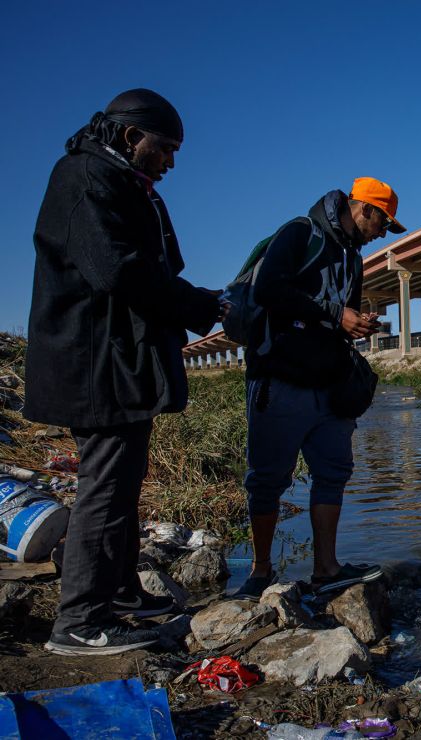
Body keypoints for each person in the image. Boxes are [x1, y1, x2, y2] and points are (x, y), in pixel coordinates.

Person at [25, 89, 224, 655]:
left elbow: (149, 269)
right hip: (94, 366)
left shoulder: (121, 182)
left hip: (117, 366)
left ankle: (121, 592)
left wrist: (194, 299)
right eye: (165, 148)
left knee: (122, 483)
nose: (171, 161)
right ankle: (80, 621)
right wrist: (197, 306)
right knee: (105, 488)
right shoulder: (86, 177)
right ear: (131, 136)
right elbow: (117, 271)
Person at [232, 178, 405, 601]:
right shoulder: (299, 233)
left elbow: (341, 317)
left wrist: (357, 324)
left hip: (329, 384)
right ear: (364, 209)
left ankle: (326, 568)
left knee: (333, 474)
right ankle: (260, 572)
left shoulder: (355, 259)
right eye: (384, 223)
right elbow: (267, 290)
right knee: (268, 480)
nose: (383, 233)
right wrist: (334, 313)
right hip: (280, 381)